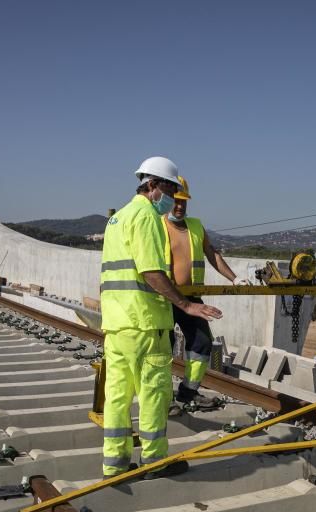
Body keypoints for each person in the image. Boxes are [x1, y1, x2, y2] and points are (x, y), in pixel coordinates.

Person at [99, 156, 222, 479]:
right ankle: (154, 461)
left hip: (116, 324)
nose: (171, 199)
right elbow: (152, 271)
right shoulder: (146, 217)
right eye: (169, 190)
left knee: (118, 396)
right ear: (152, 185)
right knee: (153, 393)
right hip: (145, 322)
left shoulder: (117, 219)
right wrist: (186, 305)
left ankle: (114, 463)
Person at [165, 176, 243, 409]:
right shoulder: (156, 224)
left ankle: (188, 391)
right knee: (163, 348)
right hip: (164, 297)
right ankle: (163, 396)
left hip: (191, 298)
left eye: (183, 201)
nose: (179, 206)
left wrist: (235, 278)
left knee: (202, 342)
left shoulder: (196, 226)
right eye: (175, 200)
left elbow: (212, 254)